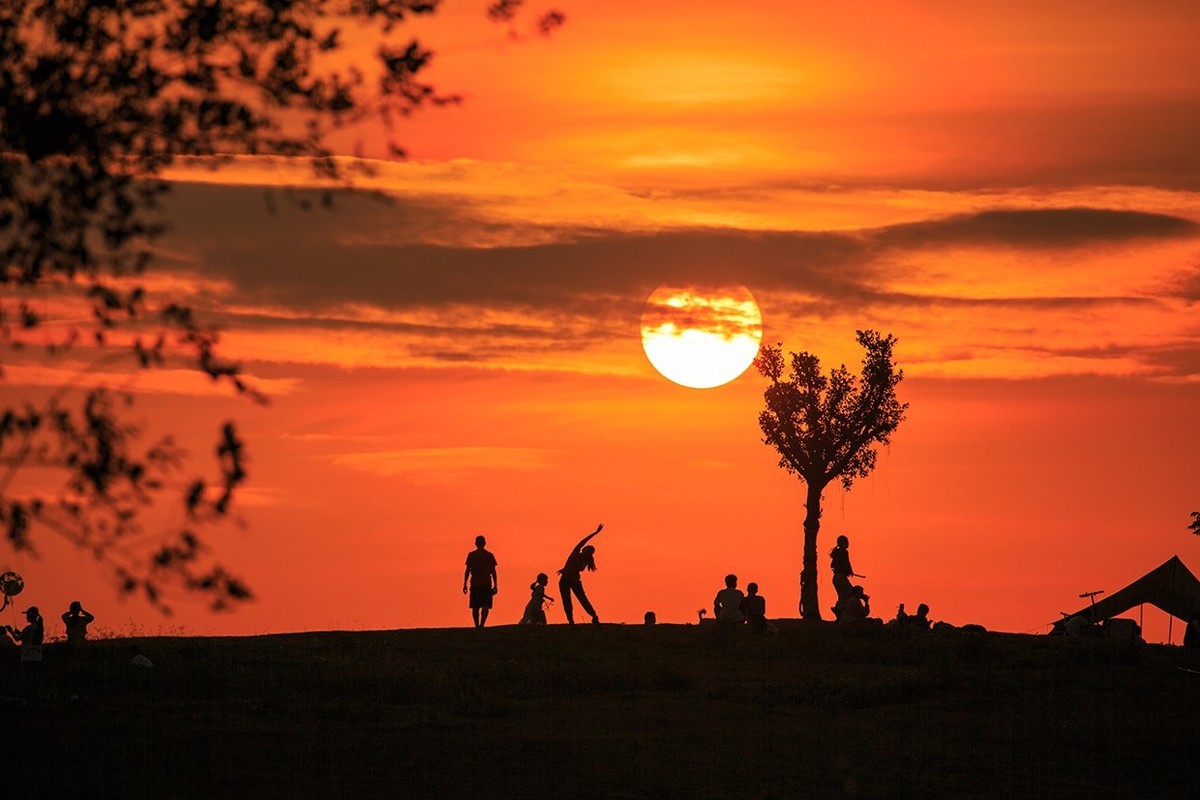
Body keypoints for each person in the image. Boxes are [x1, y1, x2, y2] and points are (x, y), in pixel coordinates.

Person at [557, 523, 603, 625]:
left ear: (587, 552)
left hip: (571, 581)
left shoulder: (583, 559)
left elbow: (578, 568)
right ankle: (572, 622)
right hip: (567, 580)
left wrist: (566, 569)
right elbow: (584, 540)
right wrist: (595, 533)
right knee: (569, 601)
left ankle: (593, 616)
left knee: (580, 600)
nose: (584, 547)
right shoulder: (577, 553)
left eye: (587, 548)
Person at [4, 606, 44, 705]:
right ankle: (37, 699)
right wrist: (20, 633)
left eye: (27, 615)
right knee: (35, 679)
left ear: (30, 616)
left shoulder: (29, 628)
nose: (26, 617)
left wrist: (11, 631)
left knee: (28, 679)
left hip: (27, 656)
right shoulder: (38, 628)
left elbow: (17, 639)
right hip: (37, 656)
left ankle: (29, 699)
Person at [462, 535, 498, 628]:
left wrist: (465, 584)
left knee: (476, 606)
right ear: (484, 543)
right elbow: (493, 572)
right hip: (485, 583)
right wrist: (495, 585)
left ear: (476, 544)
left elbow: (467, 571)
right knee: (485, 605)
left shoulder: (472, 555)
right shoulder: (489, 555)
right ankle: (481, 625)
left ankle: (478, 625)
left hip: (476, 583)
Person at [829, 535, 858, 619]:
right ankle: (841, 611)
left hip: (835, 578)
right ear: (843, 543)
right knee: (850, 594)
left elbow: (832, 565)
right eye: (847, 542)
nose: (848, 544)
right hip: (841, 577)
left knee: (842, 596)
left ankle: (839, 611)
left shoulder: (836, 553)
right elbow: (846, 562)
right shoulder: (844, 552)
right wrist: (849, 571)